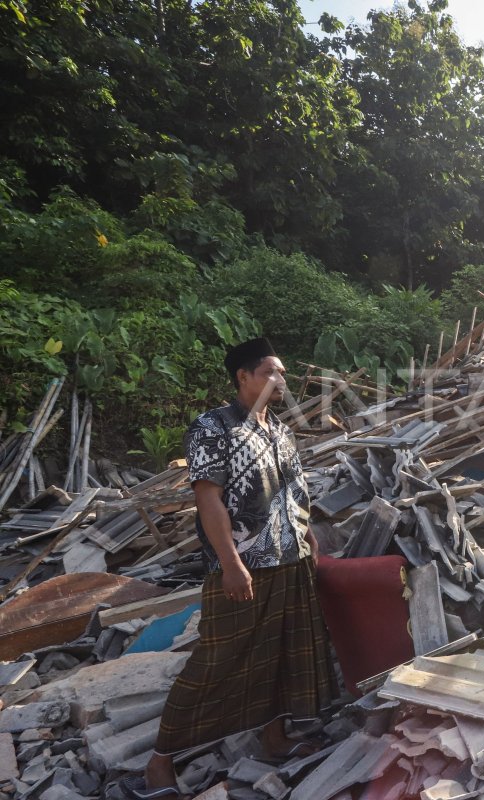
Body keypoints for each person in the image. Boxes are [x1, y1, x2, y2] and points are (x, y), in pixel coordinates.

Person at [122, 338, 336, 800]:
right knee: (217, 659)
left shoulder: (278, 429)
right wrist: (230, 563)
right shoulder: (213, 428)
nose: (281, 381)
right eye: (271, 373)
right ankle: (161, 760)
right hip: (246, 566)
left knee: (283, 653)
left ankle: (274, 736)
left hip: (291, 558)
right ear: (243, 376)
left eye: (283, 374)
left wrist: (309, 534)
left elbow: (293, 491)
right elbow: (208, 500)